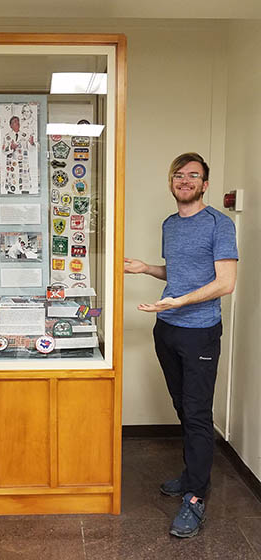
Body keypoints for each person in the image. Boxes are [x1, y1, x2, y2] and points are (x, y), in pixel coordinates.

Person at [124, 153, 238, 538]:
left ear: (205, 184)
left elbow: (225, 282)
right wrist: (146, 268)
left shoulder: (219, 225)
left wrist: (181, 300)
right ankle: (192, 473)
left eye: (194, 175)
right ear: (171, 181)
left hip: (200, 331)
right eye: (179, 174)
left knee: (197, 412)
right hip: (167, 329)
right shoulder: (169, 224)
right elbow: (180, 271)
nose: (185, 180)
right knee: (181, 407)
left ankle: (194, 496)